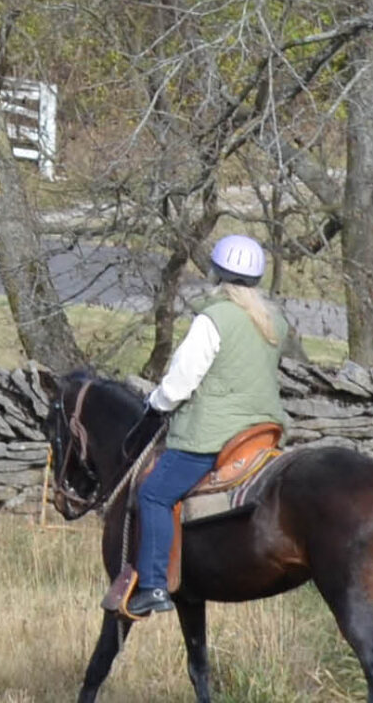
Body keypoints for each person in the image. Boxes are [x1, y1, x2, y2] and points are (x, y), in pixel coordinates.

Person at [123, 233, 287, 618]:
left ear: (216, 273)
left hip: (214, 435)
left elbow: (180, 383)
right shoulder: (273, 320)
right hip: (262, 433)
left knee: (154, 494)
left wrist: (156, 404)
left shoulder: (212, 318)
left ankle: (154, 587)